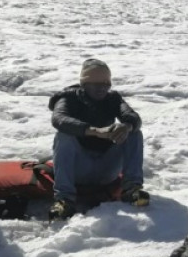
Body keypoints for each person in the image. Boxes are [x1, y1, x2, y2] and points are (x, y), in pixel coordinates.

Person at [47, 58, 148, 220]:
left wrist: (126, 126)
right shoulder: (68, 98)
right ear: (84, 84)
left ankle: (132, 190)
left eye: (106, 85)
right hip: (79, 168)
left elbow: (133, 117)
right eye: (96, 85)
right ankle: (64, 199)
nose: (102, 89)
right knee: (63, 135)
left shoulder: (113, 99)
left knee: (134, 132)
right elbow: (59, 119)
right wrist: (93, 131)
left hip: (106, 168)